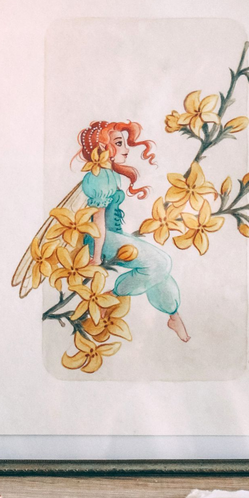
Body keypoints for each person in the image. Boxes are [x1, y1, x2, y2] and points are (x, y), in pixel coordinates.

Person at [77, 120, 190, 343]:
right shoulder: (100, 177)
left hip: (113, 236)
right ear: (103, 148)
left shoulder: (110, 174)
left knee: (160, 270)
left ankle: (174, 315)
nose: (127, 149)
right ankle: (110, 297)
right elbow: (97, 220)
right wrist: (96, 257)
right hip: (100, 239)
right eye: (119, 143)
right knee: (160, 263)